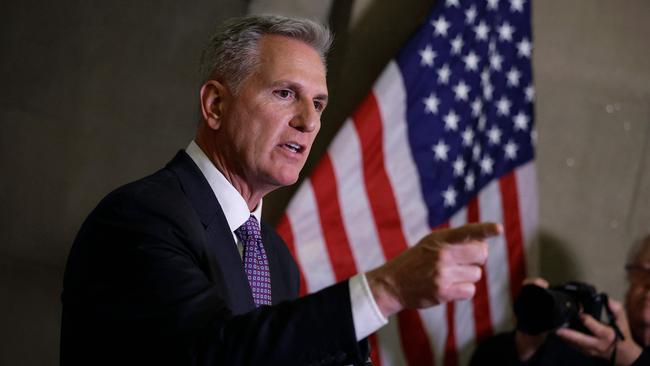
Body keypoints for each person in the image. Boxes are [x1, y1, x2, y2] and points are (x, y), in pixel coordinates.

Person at [60, 14, 501, 366]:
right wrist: (385, 289)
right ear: (215, 105)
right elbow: (215, 352)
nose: (308, 122)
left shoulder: (273, 254)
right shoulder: (141, 218)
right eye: (285, 93)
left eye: (319, 103)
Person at [470, 235, 650, 366]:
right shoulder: (585, 346)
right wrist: (524, 347)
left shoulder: (608, 350)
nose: (649, 285)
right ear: (629, 277)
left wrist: (629, 357)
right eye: (643, 272)